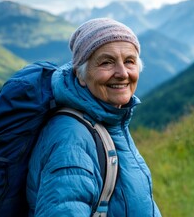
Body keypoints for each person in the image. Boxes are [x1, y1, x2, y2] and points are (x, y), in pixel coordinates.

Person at [26, 18, 162, 216]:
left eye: (129, 61)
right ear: (81, 74)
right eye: (107, 62)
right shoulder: (72, 139)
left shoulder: (109, 121)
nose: (122, 73)